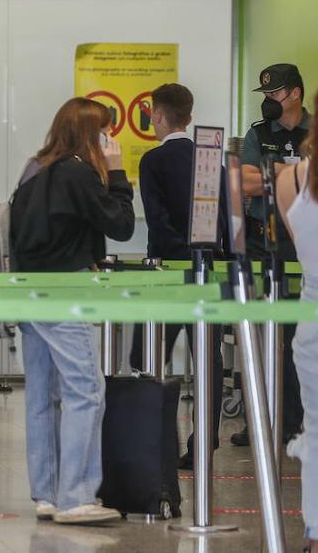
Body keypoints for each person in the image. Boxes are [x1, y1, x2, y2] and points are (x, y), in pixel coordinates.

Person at [10, 97, 135, 525]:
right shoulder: (79, 173)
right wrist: (117, 173)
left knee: (42, 397)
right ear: (92, 134)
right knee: (86, 392)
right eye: (106, 132)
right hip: (66, 293)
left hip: (27, 293)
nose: (111, 140)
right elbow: (121, 225)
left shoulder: (33, 169)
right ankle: (76, 495)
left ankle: (46, 493)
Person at [128, 83, 224, 469]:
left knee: (148, 358)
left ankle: (153, 441)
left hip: (168, 274)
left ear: (159, 115)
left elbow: (158, 220)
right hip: (208, 273)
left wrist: (178, 255)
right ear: (190, 114)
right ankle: (203, 443)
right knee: (209, 362)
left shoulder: (153, 161)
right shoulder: (210, 159)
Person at [235, 63, 310, 447]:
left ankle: (302, 421)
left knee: (306, 340)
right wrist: (294, 172)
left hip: (307, 250)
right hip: (266, 246)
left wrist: (271, 174)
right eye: (264, 94)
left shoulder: (313, 132)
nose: (267, 101)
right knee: (268, 341)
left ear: (295, 93)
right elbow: (244, 182)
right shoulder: (258, 134)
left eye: (274, 94)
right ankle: (265, 421)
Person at [277, 100, 317, 553]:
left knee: (317, 432)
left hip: (310, 326)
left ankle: (315, 534)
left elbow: (299, 244)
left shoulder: (290, 178)